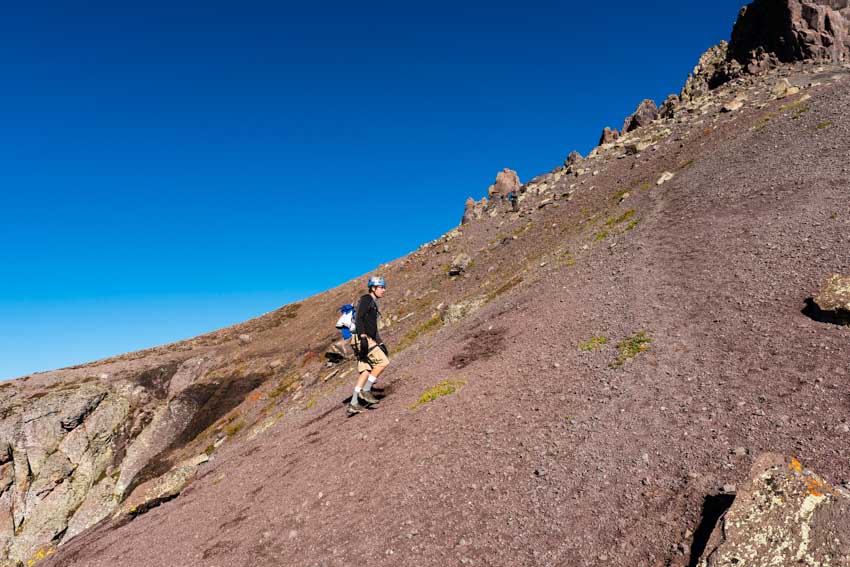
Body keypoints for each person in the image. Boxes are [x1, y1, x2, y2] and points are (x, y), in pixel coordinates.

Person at [347, 276, 390, 415]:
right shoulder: (367, 299)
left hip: (359, 339)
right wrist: (363, 336)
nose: (384, 290)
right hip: (362, 338)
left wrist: (381, 342)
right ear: (373, 288)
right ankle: (366, 390)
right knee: (383, 362)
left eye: (384, 287)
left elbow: (373, 327)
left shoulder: (372, 302)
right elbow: (359, 317)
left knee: (366, 370)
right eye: (381, 287)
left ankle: (353, 403)